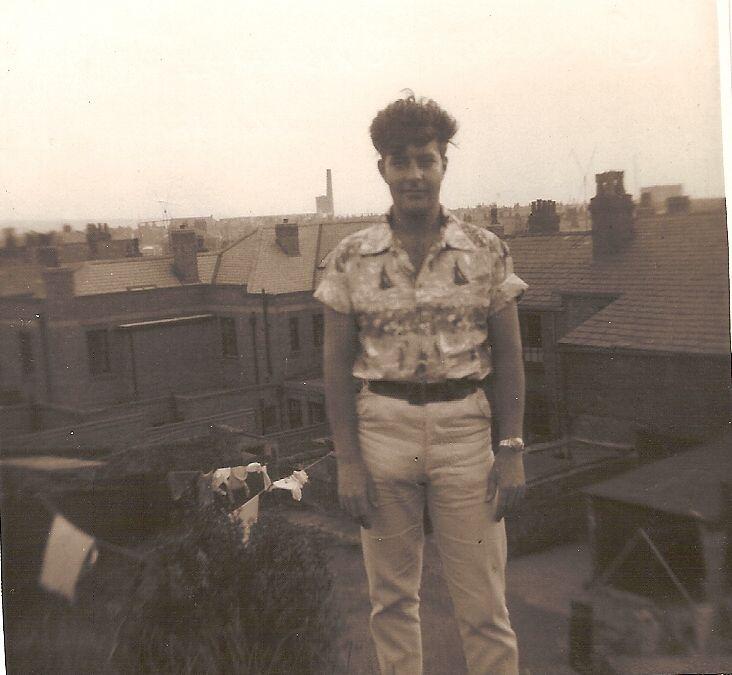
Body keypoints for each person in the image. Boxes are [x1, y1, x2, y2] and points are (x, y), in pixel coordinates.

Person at [315, 95, 528, 675]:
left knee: (485, 607)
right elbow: (334, 367)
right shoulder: (349, 258)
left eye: (425, 161)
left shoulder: (485, 250)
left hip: (466, 432)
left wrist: (511, 449)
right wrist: (348, 462)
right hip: (383, 430)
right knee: (391, 603)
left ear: (443, 165)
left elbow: (510, 356)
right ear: (382, 168)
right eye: (400, 161)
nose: (414, 174)